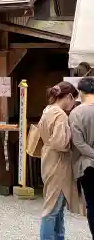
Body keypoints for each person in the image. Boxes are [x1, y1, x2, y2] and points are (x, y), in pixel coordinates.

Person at [38, 81, 82, 240]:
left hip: (48, 159)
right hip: (58, 163)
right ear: (69, 96)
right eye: (74, 100)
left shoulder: (47, 110)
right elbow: (59, 142)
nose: (73, 104)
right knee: (52, 208)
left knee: (55, 208)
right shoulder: (60, 114)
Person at [70, 77, 94, 238]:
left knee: (92, 204)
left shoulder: (76, 113)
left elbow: (78, 143)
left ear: (80, 92)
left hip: (87, 166)